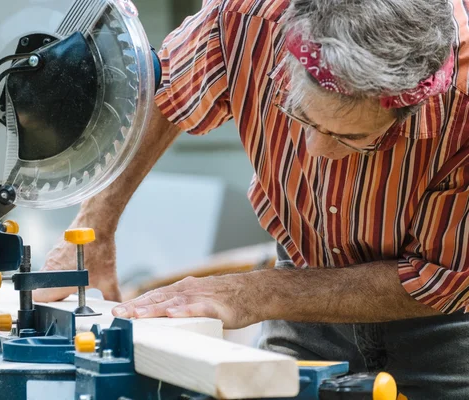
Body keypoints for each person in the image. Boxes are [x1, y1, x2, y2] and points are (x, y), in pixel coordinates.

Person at [35, 0, 469, 398]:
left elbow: (446, 279)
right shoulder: (244, 19)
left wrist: (257, 293)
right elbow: (165, 94)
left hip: (443, 328)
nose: (317, 152)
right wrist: (94, 228)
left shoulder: (463, 100)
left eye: (352, 138)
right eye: (299, 114)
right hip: (305, 275)